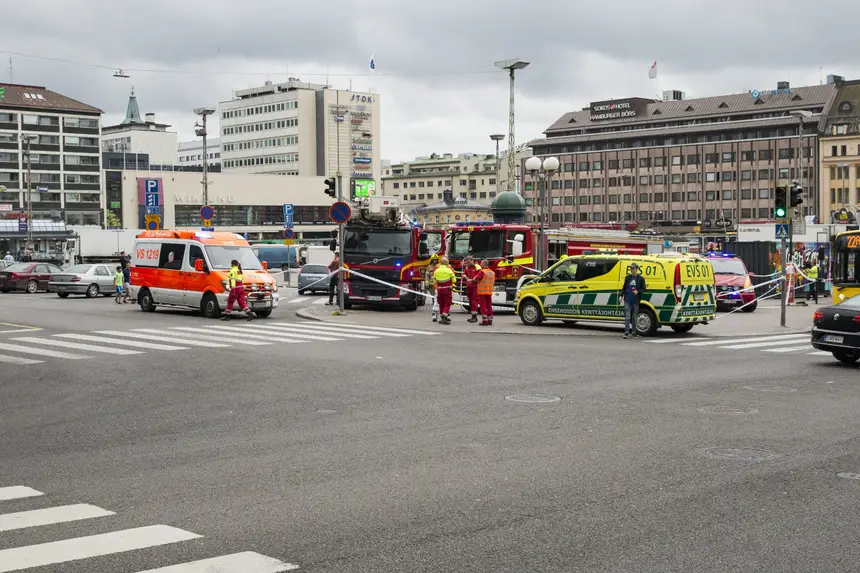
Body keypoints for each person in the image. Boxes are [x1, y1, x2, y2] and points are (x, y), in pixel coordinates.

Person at [622, 262, 646, 339]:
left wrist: (638, 291)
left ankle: (634, 332)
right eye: (631, 268)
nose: (631, 270)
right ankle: (626, 332)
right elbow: (624, 288)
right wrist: (621, 296)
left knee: (634, 317)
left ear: (637, 269)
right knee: (627, 316)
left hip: (635, 301)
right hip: (628, 300)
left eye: (633, 268)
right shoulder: (628, 278)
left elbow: (644, 289)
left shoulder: (641, 279)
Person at [432, 256, 457, 325]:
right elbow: (454, 280)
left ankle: (442, 317)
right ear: (447, 263)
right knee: (447, 303)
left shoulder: (436, 270)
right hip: (447, 290)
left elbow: (434, 281)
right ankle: (445, 315)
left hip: (439, 290)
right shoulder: (449, 270)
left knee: (441, 303)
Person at [462, 256, 483, 323]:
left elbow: (480, 275)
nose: (467, 264)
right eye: (466, 263)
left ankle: (474, 316)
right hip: (469, 287)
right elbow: (464, 274)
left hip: (475, 287)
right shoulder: (467, 267)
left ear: (472, 260)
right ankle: (473, 315)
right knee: (471, 301)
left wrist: (473, 279)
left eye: (468, 262)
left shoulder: (477, 267)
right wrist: (465, 276)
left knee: (474, 301)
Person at [477, 259, 495, 326]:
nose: (480, 265)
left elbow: (476, 278)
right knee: (489, 306)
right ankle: (490, 320)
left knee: (483, 307)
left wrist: (470, 280)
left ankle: (485, 321)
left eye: (481, 263)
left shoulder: (482, 272)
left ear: (484, 264)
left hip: (482, 292)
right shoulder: (492, 272)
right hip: (489, 292)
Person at [425, 254, 440, 322]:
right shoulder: (429, 267)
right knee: (434, 299)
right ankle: (435, 313)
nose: (435, 261)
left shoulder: (439, 266)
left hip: (438, 285)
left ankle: (436, 313)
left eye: (436, 260)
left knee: (437, 300)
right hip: (432, 286)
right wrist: (426, 282)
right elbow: (427, 275)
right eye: (433, 260)